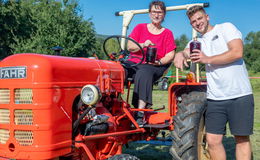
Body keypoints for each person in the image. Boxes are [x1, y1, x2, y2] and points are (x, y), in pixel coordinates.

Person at [173, 6, 254, 160]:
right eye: (193, 21)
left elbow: (237, 52)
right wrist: (180, 54)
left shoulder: (225, 28)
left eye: (200, 18)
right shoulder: (197, 42)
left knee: (241, 139)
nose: (197, 23)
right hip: (215, 97)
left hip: (239, 94)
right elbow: (186, 51)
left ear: (207, 17)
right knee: (212, 141)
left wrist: (207, 59)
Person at [124, 0, 176, 126]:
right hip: (134, 62)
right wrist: (142, 45)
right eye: (154, 12)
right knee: (116, 70)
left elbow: (171, 54)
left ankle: (140, 112)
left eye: (159, 12)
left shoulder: (167, 33)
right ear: (149, 13)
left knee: (144, 72)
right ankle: (114, 106)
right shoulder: (140, 28)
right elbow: (130, 46)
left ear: (164, 15)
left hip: (155, 66)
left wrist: (158, 62)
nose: (156, 15)